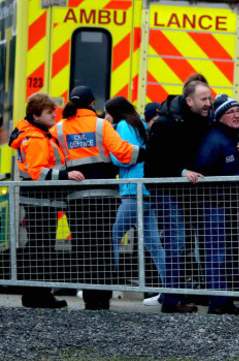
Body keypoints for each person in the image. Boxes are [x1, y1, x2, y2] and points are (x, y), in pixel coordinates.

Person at [54, 86, 144, 310]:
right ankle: (101, 299)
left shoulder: (60, 128)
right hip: (104, 196)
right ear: (92, 104)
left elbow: (55, 160)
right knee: (102, 245)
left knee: (82, 246)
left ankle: (88, 299)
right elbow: (122, 151)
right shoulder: (100, 124)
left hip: (75, 197)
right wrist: (145, 152)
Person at [9, 93, 84, 309]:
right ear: (35, 115)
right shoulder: (36, 139)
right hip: (42, 202)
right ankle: (38, 296)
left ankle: (36, 295)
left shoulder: (37, 135)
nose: (54, 115)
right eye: (49, 112)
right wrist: (65, 176)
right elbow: (36, 172)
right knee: (41, 249)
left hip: (40, 201)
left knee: (38, 247)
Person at [144, 80, 213, 314]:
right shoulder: (165, 124)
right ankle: (172, 300)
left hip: (187, 196)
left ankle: (176, 296)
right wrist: (181, 172)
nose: (208, 103)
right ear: (189, 101)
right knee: (177, 244)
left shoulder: (201, 122)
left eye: (210, 98)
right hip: (167, 194)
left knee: (182, 246)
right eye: (204, 99)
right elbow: (153, 164)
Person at [195, 94, 239, 315]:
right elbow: (204, 169)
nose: (237, 115)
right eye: (231, 112)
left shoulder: (235, 136)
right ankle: (218, 301)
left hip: (229, 207)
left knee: (227, 254)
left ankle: (224, 300)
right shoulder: (214, 139)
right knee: (217, 255)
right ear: (220, 117)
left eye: (238, 110)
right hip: (214, 207)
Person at [104, 96, 165, 300]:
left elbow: (123, 156)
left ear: (115, 112)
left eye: (107, 113)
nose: (105, 117)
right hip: (146, 192)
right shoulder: (137, 123)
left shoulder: (123, 125)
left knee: (111, 237)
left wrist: (108, 154)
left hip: (132, 192)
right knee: (154, 245)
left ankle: (104, 287)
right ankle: (170, 290)